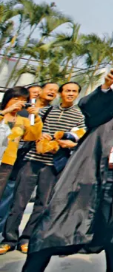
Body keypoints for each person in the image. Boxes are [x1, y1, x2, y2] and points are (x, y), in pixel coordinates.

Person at [19, 70, 113, 272]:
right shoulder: (108, 106)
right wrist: (106, 87)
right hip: (86, 173)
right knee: (55, 220)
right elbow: (87, 108)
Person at [0, 82, 84, 255]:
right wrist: (40, 134)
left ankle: (27, 238)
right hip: (32, 160)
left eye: (74, 91)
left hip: (54, 164)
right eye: (67, 90)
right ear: (61, 93)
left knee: (42, 204)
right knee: (18, 201)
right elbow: (31, 130)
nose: (71, 94)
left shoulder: (79, 115)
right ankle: (9, 239)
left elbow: (80, 137)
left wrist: (68, 142)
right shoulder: (46, 110)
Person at [0, 87, 42, 205]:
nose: (19, 102)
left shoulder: (22, 120)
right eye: (16, 98)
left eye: (23, 100)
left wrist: (36, 117)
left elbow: (33, 135)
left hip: (6, 162)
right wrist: (5, 111)